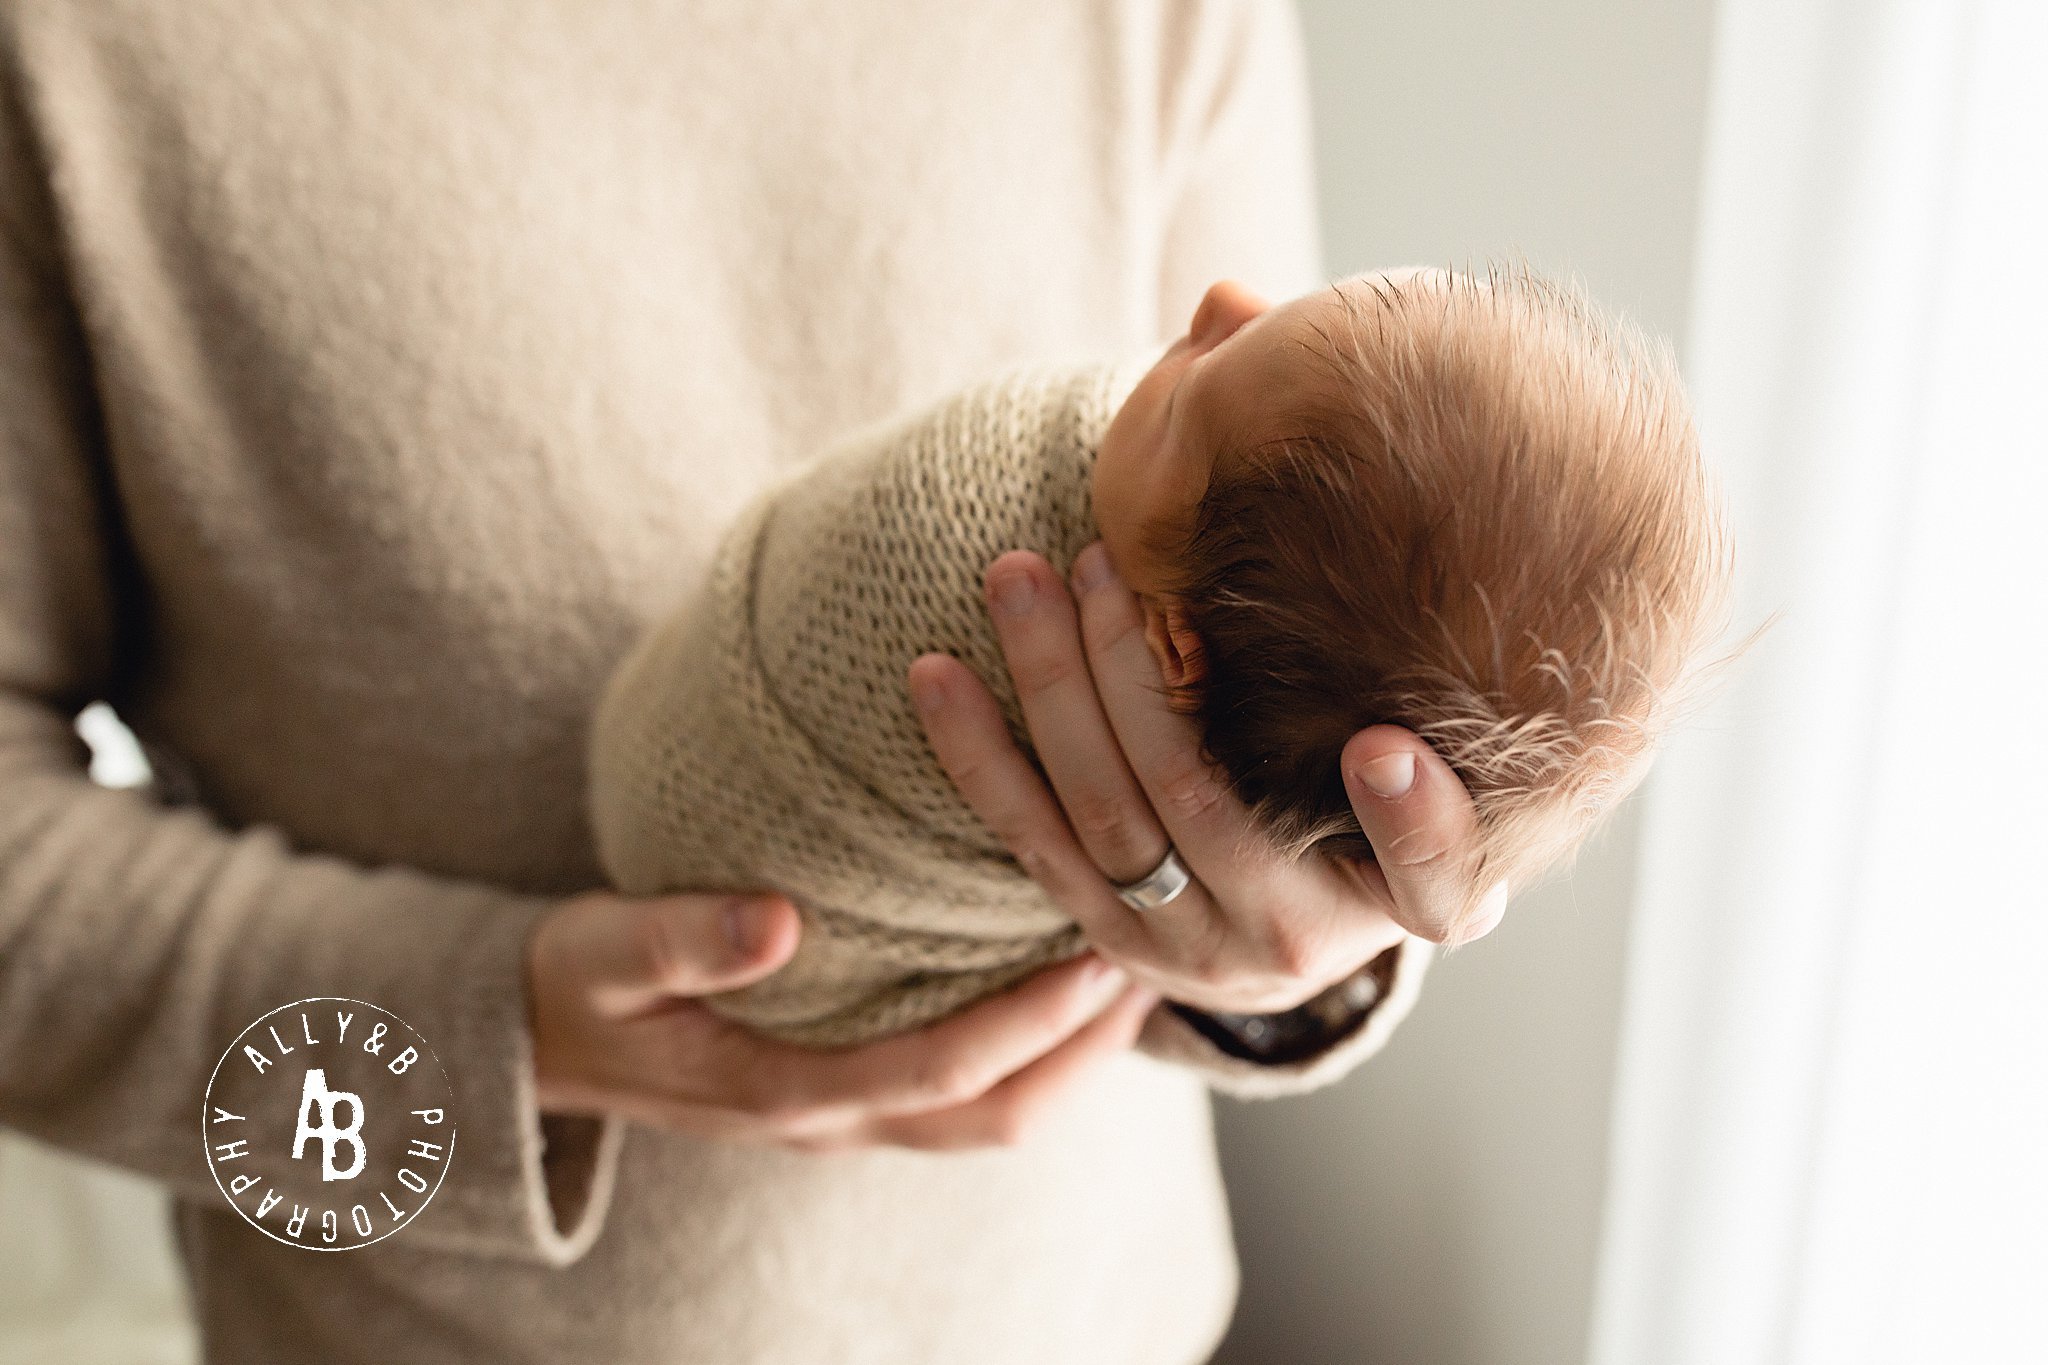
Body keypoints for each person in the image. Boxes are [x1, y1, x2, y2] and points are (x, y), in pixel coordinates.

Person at [0, 4, 1496, 1361]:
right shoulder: (72, 48)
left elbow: (1310, 602)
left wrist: (1288, 949)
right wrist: (499, 1040)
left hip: (1091, 1318)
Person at [590, 264, 1723, 1077]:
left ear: (1169, 646)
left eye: (1187, 395)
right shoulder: (1249, 504)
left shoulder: (1066, 573)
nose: (1220, 301)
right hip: (651, 947)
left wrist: (1317, 962)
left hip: (808, 980)